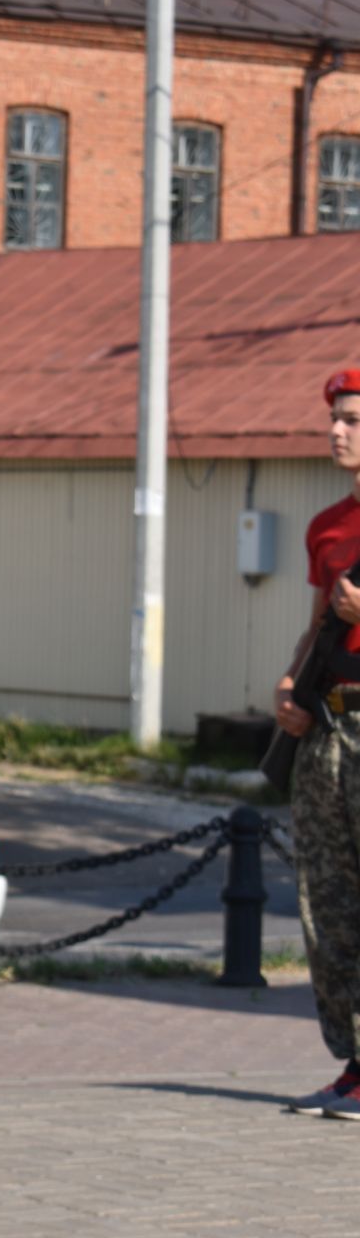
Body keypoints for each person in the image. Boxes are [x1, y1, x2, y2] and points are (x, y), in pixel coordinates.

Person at [274, 368, 360, 1120]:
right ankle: (355, 1062)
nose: (338, 430)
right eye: (336, 418)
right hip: (331, 724)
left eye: (353, 419)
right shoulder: (329, 526)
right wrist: (291, 686)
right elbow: (317, 624)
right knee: (327, 900)